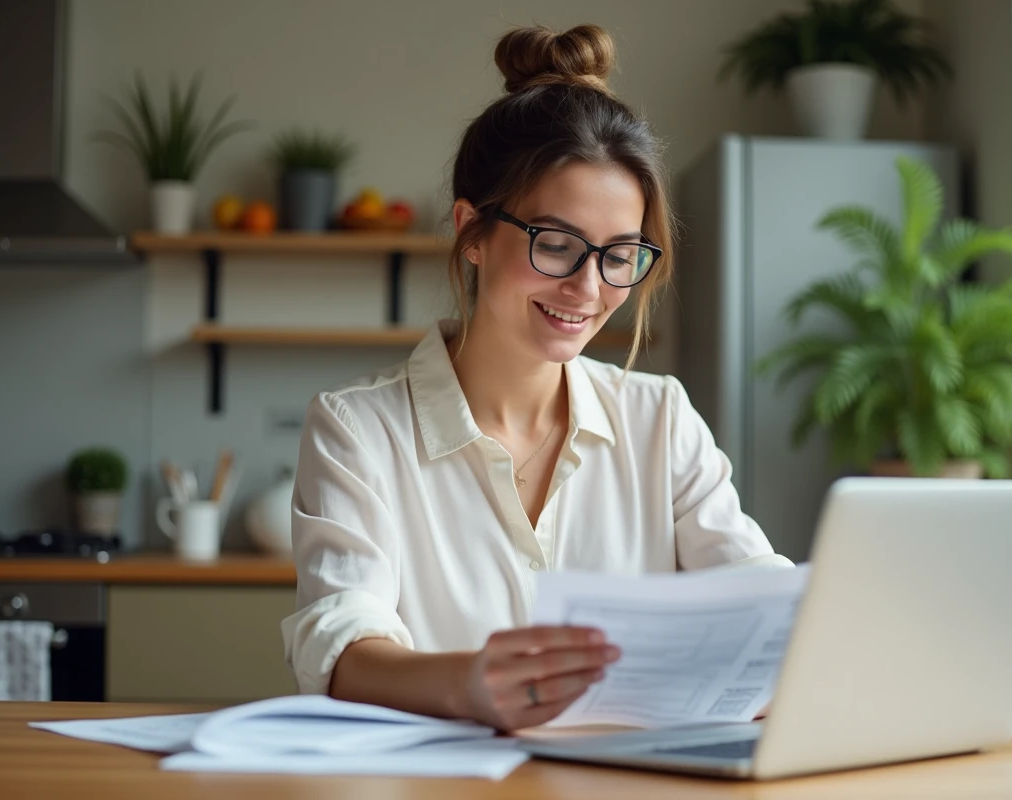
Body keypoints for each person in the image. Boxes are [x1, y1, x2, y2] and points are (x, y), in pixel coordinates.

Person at [281, 23, 793, 733]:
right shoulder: (358, 428)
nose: (589, 288)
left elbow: (755, 592)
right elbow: (340, 641)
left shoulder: (660, 418)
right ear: (472, 233)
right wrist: (470, 684)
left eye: (620, 255)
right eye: (556, 245)